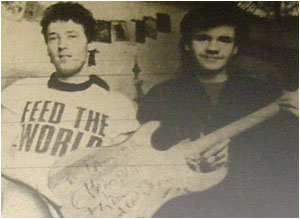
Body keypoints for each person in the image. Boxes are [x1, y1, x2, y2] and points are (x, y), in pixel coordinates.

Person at [137, 2, 298, 217]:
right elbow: (143, 163)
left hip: (248, 208)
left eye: (224, 40)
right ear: (186, 44)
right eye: (202, 38)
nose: (213, 48)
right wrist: (184, 159)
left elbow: (284, 160)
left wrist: (237, 156)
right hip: (183, 210)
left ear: (236, 48)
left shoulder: (263, 95)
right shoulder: (160, 96)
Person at [2, 2, 139, 217]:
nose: (62, 45)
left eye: (72, 36)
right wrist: (40, 185)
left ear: (90, 42)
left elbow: (121, 179)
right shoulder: (21, 91)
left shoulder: (118, 107)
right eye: (53, 37)